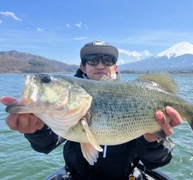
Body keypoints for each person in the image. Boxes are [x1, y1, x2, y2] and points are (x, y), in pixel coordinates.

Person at [1, 40, 182, 180]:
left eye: (108, 60)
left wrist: (152, 140)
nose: (101, 65)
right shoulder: (70, 103)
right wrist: (37, 131)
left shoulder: (139, 96)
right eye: (93, 60)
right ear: (83, 67)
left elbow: (158, 161)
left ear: (115, 67)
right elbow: (47, 144)